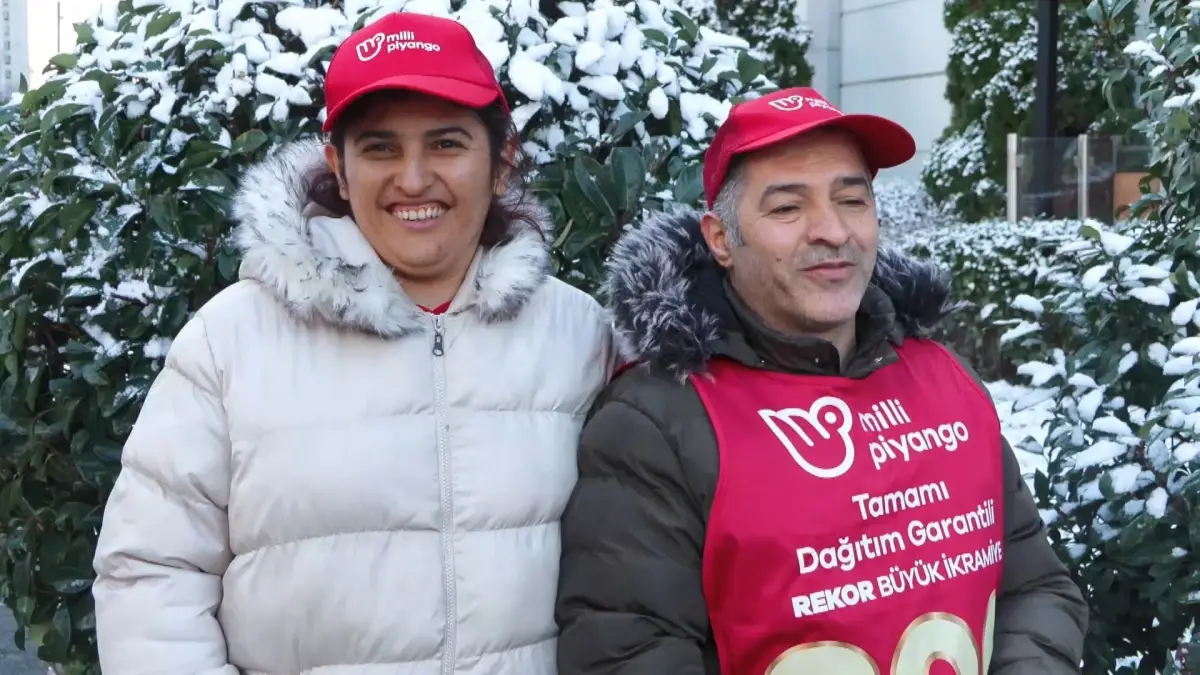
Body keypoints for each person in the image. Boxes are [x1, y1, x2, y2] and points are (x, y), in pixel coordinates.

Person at [92, 11, 612, 674]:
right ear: (339, 167)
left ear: (501, 161)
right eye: (380, 148)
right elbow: (150, 576)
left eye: (447, 143)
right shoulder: (230, 342)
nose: (414, 178)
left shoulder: (579, 336)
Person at [555, 87, 1087, 675]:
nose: (832, 230)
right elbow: (628, 653)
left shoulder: (947, 378)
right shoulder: (658, 422)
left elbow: (1035, 587)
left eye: (852, 200)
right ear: (721, 239)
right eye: (788, 208)